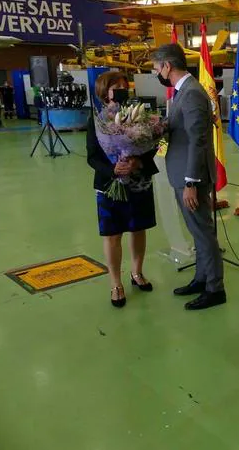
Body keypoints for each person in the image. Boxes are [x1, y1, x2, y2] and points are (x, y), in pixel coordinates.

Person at [150, 43, 226, 311]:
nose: (156, 72)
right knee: (197, 231)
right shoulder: (184, 91)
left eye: (157, 67)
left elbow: (198, 140)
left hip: (190, 176)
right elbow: (182, 129)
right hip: (182, 173)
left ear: (167, 66)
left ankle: (215, 288)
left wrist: (191, 182)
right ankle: (202, 278)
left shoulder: (191, 93)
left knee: (203, 233)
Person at [86, 71, 158, 308]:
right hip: (109, 186)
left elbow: (151, 146)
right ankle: (115, 283)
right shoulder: (96, 120)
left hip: (138, 182)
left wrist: (137, 162)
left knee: (138, 229)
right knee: (113, 235)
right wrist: (114, 170)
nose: (121, 89)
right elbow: (92, 157)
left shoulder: (140, 115)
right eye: (115, 86)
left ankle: (137, 273)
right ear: (104, 91)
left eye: (123, 85)